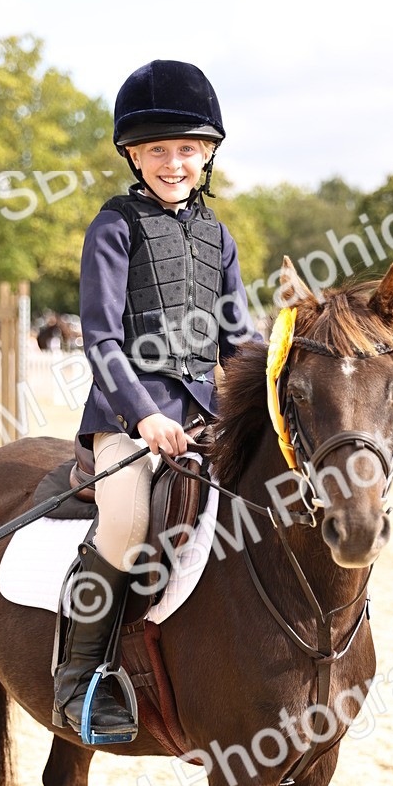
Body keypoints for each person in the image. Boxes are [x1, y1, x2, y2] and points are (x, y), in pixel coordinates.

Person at [52, 59, 260, 744]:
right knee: (129, 520)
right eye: (159, 150)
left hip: (206, 419)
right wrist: (145, 416)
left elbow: (239, 340)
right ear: (134, 155)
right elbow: (101, 338)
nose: (175, 163)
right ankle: (80, 679)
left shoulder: (218, 236)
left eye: (188, 149)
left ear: (207, 154)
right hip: (125, 418)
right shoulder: (114, 226)